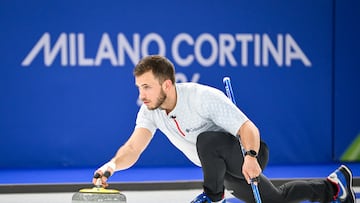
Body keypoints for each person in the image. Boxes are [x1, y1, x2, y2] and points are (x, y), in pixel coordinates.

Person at [92, 55, 355, 203]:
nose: (142, 94)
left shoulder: (201, 97)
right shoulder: (150, 111)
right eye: (139, 87)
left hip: (247, 153)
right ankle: (333, 187)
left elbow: (247, 127)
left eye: (146, 87)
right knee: (276, 201)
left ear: (167, 85)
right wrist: (111, 166)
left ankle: (212, 197)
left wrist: (251, 158)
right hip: (220, 169)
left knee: (206, 141)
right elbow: (133, 148)